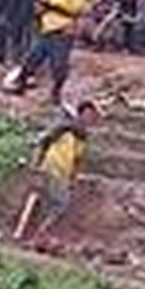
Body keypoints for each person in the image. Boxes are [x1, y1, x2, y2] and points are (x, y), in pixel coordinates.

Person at [14, 0, 90, 104]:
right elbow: (40, 8)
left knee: (59, 65)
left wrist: (53, 7)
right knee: (32, 58)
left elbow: (75, 12)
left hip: (63, 32)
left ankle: (56, 92)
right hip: (46, 31)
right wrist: (40, 9)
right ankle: (20, 84)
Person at [29, 100, 101, 247]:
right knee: (61, 203)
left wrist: (73, 178)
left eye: (92, 117)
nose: (89, 119)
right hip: (51, 168)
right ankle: (41, 233)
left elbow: (77, 160)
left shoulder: (82, 138)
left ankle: (40, 234)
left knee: (53, 203)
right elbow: (43, 144)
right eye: (87, 115)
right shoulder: (63, 129)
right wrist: (35, 165)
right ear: (80, 115)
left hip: (63, 174)